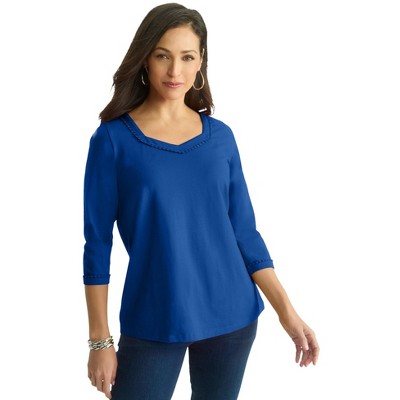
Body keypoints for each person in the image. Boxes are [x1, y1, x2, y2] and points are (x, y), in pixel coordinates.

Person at [83, 3, 319, 399]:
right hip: (155, 317)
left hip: (232, 315)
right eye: (163, 56)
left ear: (201, 61)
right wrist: (99, 341)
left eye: (187, 57)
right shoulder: (112, 141)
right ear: (145, 59)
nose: (175, 71)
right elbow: (97, 245)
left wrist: (287, 312)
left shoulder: (221, 137)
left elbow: (244, 234)